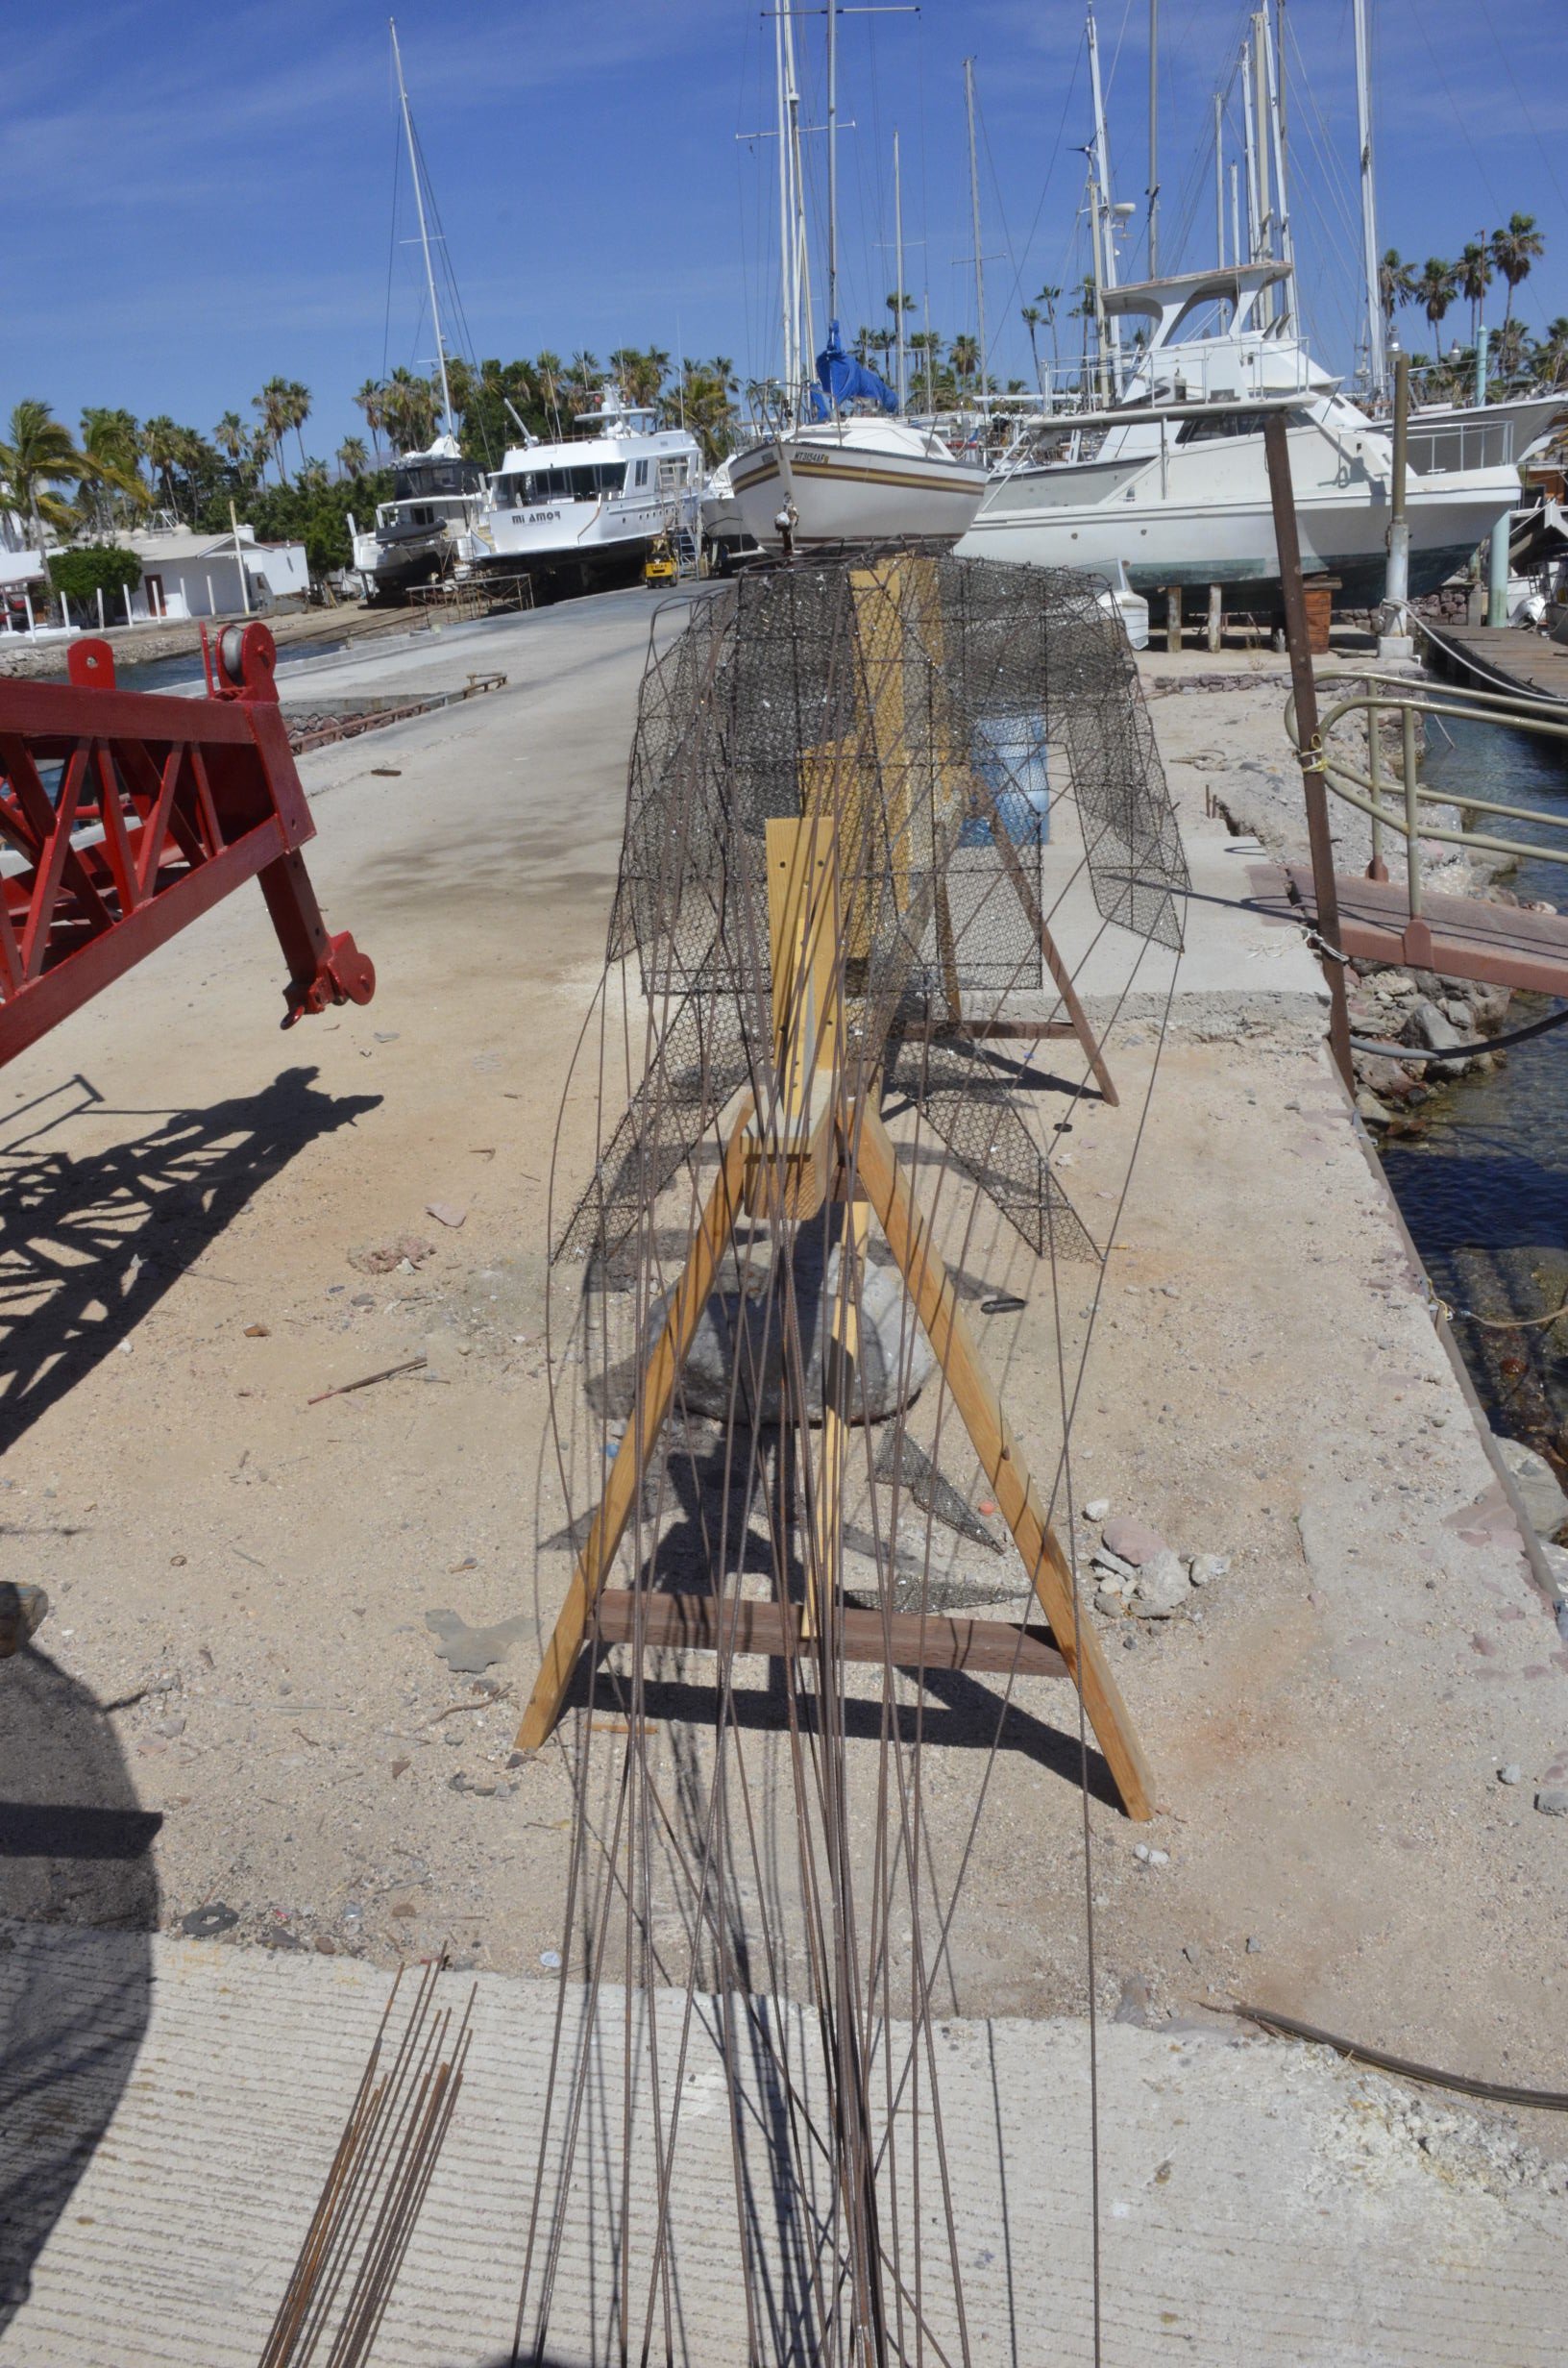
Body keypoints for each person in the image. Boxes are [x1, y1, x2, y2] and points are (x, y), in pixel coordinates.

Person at [773, 495, 798, 559]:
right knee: (787, 536)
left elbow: (795, 517)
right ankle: (788, 549)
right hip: (786, 526)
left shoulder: (791, 509)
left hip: (788, 525)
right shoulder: (787, 509)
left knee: (788, 536)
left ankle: (789, 549)